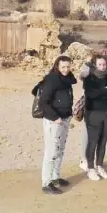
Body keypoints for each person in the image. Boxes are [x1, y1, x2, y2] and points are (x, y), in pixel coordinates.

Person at [38, 55, 77, 195]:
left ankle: (55, 177)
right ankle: (46, 182)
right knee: (51, 151)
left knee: (60, 150)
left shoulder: (67, 80)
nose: (66, 70)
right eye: (63, 67)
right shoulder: (52, 79)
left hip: (65, 118)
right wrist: (55, 117)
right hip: (53, 120)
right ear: (57, 66)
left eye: (68, 66)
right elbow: (43, 102)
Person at [83, 55, 107, 181]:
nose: (102, 67)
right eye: (100, 65)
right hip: (93, 113)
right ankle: (90, 168)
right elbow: (90, 94)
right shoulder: (89, 78)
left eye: (104, 64)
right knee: (93, 141)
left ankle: (99, 165)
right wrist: (106, 90)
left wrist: (103, 91)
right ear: (95, 65)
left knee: (103, 141)